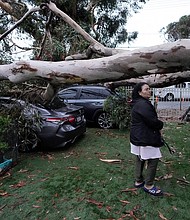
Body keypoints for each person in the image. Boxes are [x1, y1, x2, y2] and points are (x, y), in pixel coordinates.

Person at [130, 82, 164, 196]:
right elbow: (153, 121)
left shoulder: (138, 103)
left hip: (138, 136)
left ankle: (138, 180)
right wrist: (161, 125)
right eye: (146, 89)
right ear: (140, 92)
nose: (149, 91)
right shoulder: (143, 104)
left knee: (140, 158)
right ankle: (148, 185)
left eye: (149, 89)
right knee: (153, 159)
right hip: (145, 138)